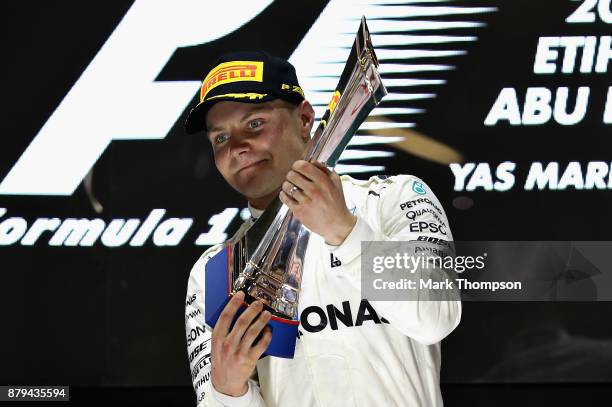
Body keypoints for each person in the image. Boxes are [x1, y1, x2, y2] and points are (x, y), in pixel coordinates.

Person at [184, 50, 461, 407]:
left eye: (254, 124)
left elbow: (437, 318)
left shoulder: (395, 199)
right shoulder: (215, 270)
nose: (237, 148)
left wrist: (345, 231)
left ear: (304, 119)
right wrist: (228, 389)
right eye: (220, 138)